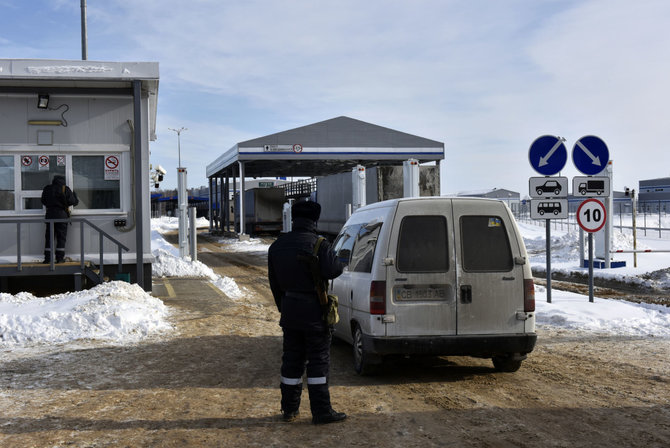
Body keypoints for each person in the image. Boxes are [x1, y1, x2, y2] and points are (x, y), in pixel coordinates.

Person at [268, 200, 347, 424]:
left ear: (294, 218)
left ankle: (289, 409)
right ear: (315, 219)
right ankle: (321, 412)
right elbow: (333, 270)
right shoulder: (319, 244)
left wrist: (284, 308)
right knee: (318, 362)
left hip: (290, 312)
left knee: (291, 361)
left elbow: (274, 283)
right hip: (315, 313)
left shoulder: (277, 246)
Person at [41, 175, 78, 263]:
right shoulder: (65, 189)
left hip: (50, 214)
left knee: (49, 237)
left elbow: (43, 201)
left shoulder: (47, 188)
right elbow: (73, 202)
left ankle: (47, 259)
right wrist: (75, 195)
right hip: (62, 215)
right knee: (61, 237)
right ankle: (60, 258)